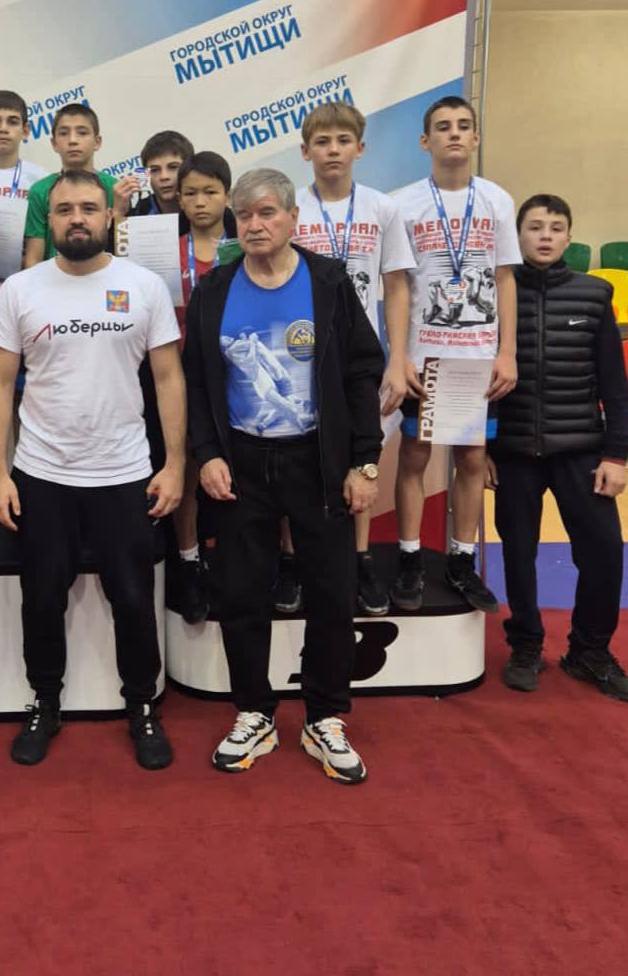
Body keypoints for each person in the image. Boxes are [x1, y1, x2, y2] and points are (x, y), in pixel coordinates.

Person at [183, 168, 384, 781]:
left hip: (318, 462)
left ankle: (325, 717)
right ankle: (254, 713)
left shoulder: (328, 282)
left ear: (294, 218)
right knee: (242, 594)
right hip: (241, 464)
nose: (254, 224)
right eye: (244, 215)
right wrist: (206, 454)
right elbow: (197, 381)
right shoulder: (215, 289)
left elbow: (362, 372)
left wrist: (365, 460)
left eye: (267, 212)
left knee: (331, 593)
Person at [0, 170, 185, 770]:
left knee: (133, 597)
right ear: (49, 220)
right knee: (42, 598)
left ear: (109, 216)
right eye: (66, 208)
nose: (77, 218)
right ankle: (44, 702)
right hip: (42, 473)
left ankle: (141, 705)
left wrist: (176, 464)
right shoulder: (20, 289)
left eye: (90, 208)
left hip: (124, 472)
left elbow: (168, 377)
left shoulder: (143, 286)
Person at [486, 194, 628, 701]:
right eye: (535, 227)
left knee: (604, 552)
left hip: (581, 450)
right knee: (518, 555)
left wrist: (616, 456)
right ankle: (526, 645)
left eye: (556, 228)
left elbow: (615, 386)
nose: (546, 236)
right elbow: (476, 378)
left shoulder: (594, 295)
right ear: (518, 235)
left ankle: (589, 651)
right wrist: (482, 448)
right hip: (513, 452)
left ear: (569, 238)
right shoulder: (495, 293)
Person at [392, 96, 520, 613]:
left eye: (464, 126)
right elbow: (396, 286)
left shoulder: (497, 200)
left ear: (476, 138)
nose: (454, 134)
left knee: (471, 459)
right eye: (443, 127)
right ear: (426, 141)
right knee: (415, 457)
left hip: (477, 357)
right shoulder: (403, 204)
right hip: (425, 355)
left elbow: (505, 278)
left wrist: (507, 351)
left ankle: (462, 561)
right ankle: (408, 558)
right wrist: (398, 355)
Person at [289, 101, 416, 616]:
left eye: (343, 140)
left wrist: (397, 358)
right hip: (303, 353)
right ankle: (291, 561)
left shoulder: (382, 208)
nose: (333, 150)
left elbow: (396, 286)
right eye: (322, 142)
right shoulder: (292, 207)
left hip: (361, 356)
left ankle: (361, 559)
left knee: (364, 456)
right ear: (305, 152)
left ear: (360, 148)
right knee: (297, 459)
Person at [170, 150, 236, 623]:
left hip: (234, 375)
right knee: (188, 467)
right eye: (190, 193)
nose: (200, 201)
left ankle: (239, 559)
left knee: (238, 470)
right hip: (178, 373)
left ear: (227, 196)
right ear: (178, 198)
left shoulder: (243, 246)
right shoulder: (165, 249)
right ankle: (188, 560)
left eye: (210, 192)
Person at [21, 104, 116, 267]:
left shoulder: (115, 188)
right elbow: (33, 258)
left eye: (82, 133)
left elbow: (123, 251)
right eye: (64, 133)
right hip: (53, 278)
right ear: (54, 143)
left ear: (97, 142)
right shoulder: (40, 191)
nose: (73, 140)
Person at [0, 89, 47, 299]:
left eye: (12, 122)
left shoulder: (40, 179)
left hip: (24, 281)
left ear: (25, 130)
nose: (4, 129)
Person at [113, 129, 194, 226]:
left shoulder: (202, 208)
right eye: (155, 170)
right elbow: (117, 236)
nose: (164, 177)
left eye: (173, 167)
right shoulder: (139, 213)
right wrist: (118, 213)